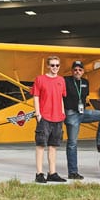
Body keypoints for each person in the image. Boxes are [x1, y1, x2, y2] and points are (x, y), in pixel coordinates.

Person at [63, 60, 100, 179]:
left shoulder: (85, 82)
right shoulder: (65, 81)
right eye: (75, 70)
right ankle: (73, 172)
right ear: (72, 71)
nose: (77, 71)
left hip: (82, 113)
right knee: (72, 143)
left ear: (83, 71)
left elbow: (84, 98)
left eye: (80, 70)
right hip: (71, 114)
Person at [32, 55, 67, 183]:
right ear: (48, 66)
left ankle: (52, 173)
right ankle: (39, 173)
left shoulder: (61, 80)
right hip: (45, 117)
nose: (55, 68)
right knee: (41, 145)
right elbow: (35, 96)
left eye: (57, 65)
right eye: (52, 65)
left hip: (58, 117)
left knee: (53, 146)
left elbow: (61, 97)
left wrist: (62, 112)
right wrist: (38, 114)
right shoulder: (40, 79)